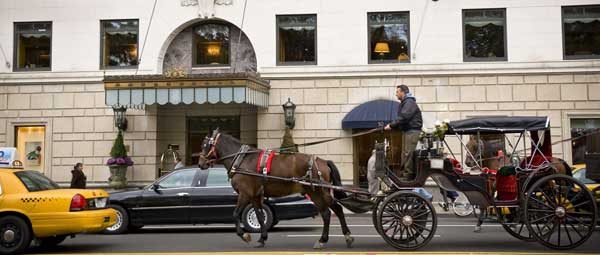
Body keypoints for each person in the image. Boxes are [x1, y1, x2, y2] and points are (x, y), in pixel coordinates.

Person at [384, 84, 423, 181]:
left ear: (403, 92)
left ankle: (407, 176)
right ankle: (405, 174)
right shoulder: (407, 102)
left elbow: (404, 117)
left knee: (408, 153)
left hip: (412, 131)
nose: (396, 94)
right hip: (408, 130)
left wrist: (392, 125)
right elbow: (403, 119)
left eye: (397, 92)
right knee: (406, 153)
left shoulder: (409, 102)